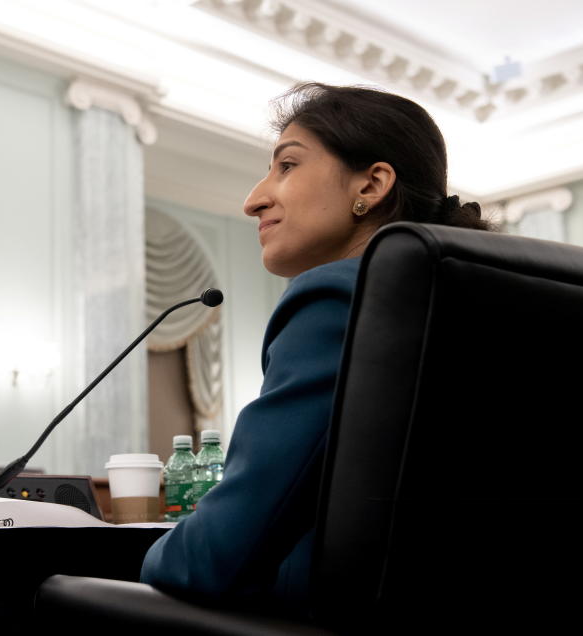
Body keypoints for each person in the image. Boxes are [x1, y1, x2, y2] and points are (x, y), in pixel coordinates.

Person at [139, 83, 490, 613]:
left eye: (287, 166)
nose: (254, 199)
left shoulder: (342, 296)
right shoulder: (479, 307)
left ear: (371, 184)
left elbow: (214, 559)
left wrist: (135, 564)